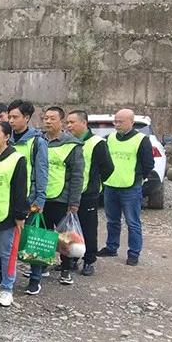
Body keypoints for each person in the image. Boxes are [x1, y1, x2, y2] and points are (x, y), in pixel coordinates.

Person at [97, 108, 154, 266]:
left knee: (132, 222)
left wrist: (138, 178)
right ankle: (111, 247)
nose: (117, 124)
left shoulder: (141, 139)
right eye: (115, 121)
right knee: (112, 220)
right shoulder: (110, 138)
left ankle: (134, 252)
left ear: (131, 122)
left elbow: (149, 163)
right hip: (111, 185)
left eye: (121, 121)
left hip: (130, 187)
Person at [0, 121, 29, 307]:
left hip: (7, 215)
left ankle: (7, 289)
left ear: (7, 137)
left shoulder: (17, 159)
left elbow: (20, 189)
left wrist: (20, 215)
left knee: (7, 254)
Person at [7, 99, 49, 295]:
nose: (11, 120)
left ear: (27, 118)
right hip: (7, 198)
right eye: (10, 117)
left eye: (15, 117)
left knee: (32, 239)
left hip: (29, 199)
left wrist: (40, 199)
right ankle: (4, 274)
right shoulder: (6, 138)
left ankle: (35, 278)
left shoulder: (37, 142)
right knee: (6, 240)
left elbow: (41, 171)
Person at [66, 110, 114, 276]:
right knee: (69, 228)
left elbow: (108, 168)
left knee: (88, 229)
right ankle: (70, 258)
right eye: (67, 122)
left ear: (84, 123)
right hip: (69, 193)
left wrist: (96, 184)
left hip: (87, 195)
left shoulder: (97, 143)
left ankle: (88, 260)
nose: (69, 126)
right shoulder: (68, 142)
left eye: (72, 122)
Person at [41, 106, 84, 284]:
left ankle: (66, 269)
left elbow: (77, 175)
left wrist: (74, 202)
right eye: (45, 118)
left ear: (61, 121)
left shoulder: (72, 144)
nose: (48, 121)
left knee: (65, 236)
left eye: (52, 118)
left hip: (62, 197)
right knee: (42, 234)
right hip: (42, 196)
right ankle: (41, 266)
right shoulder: (39, 141)